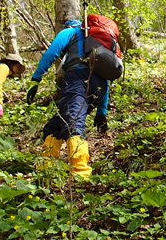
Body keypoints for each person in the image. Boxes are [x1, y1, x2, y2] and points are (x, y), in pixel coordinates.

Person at [26, 20, 110, 180]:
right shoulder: (96, 44)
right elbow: (105, 76)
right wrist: (101, 111)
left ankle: (81, 175)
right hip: (98, 88)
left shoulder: (69, 32)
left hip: (77, 81)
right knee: (55, 127)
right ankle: (45, 169)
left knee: (73, 125)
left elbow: (51, 53)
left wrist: (36, 79)